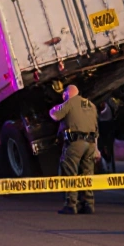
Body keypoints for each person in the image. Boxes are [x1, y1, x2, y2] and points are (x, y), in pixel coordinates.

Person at [50, 84, 99, 215]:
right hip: (90, 144)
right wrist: (96, 149)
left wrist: (53, 108)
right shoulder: (91, 105)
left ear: (66, 94)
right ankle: (88, 204)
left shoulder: (70, 103)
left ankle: (71, 204)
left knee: (70, 172)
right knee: (87, 174)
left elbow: (55, 115)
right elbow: (96, 128)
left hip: (76, 143)